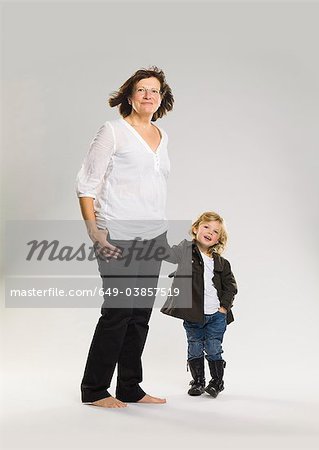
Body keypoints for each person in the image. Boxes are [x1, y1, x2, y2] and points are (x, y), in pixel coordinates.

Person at [76, 66, 174, 408]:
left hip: (152, 237)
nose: (148, 95)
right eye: (142, 89)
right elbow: (86, 184)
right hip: (116, 234)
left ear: (161, 99)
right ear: (129, 96)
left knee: (139, 315)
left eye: (155, 90)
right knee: (118, 312)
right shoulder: (113, 132)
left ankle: (130, 386)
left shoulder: (162, 135)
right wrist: (94, 231)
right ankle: (94, 390)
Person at [161, 211, 238, 398]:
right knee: (194, 346)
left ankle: (217, 382)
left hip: (216, 315)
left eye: (216, 231)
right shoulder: (185, 250)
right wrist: (159, 233)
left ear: (219, 238)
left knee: (213, 348)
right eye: (206, 227)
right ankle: (198, 382)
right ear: (195, 229)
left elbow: (231, 287)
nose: (210, 232)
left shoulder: (222, 263)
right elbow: (168, 254)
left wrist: (223, 308)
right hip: (192, 314)